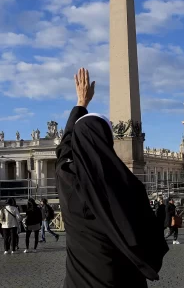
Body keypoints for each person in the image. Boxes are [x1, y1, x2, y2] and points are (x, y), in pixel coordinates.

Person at [56, 68, 168, 287]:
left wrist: (81, 103)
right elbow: (148, 236)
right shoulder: (130, 187)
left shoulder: (67, 179)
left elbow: (64, 149)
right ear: (107, 141)